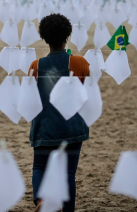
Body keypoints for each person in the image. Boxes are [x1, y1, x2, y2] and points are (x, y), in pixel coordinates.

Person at [28, 13, 90, 212]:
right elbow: (85, 88)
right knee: (68, 174)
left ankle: (40, 200)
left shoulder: (35, 66)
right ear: (67, 37)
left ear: (45, 39)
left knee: (39, 167)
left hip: (45, 127)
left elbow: (31, 97)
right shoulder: (79, 63)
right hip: (71, 127)